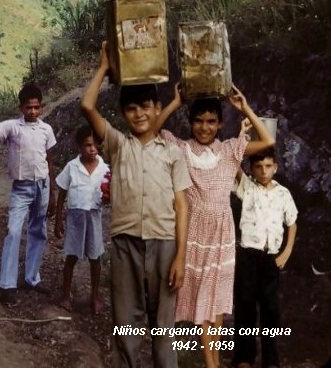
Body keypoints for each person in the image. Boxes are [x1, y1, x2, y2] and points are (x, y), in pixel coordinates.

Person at [81, 42, 190, 368]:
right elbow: (88, 106)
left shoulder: (172, 151)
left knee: (164, 328)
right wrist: (103, 68)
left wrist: (181, 257)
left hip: (165, 245)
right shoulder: (117, 144)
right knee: (126, 325)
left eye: (145, 106)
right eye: (131, 109)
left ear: (158, 108)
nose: (139, 113)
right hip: (126, 243)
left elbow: (181, 205)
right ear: (124, 114)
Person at [155, 84, 275, 368]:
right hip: (193, 232)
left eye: (211, 121)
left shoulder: (231, 149)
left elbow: (267, 141)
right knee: (196, 299)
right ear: (191, 123)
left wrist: (244, 106)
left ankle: (213, 364)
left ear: (220, 124)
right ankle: (205, 362)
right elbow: (155, 131)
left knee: (217, 302)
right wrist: (175, 102)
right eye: (198, 121)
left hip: (222, 234)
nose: (204, 127)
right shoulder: (182, 149)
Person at [0, 83, 57, 306]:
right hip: (21, 188)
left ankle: (32, 278)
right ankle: (6, 285)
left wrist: (52, 192)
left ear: (41, 107)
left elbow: (50, 160)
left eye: (36, 107)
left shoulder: (47, 130)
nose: (33, 112)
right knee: (14, 231)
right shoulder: (12, 128)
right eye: (28, 108)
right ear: (21, 108)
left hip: (42, 186)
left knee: (38, 230)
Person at [232, 147, 298, 368]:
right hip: (248, 257)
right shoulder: (247, 188)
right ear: (251, 169)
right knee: (245, 307)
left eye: (268, 166)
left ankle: (270, 359)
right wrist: (244, 138)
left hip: (271, 259)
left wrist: (286, 252)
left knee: (270, 310)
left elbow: (292, 222)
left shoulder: (283, 193)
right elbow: (233, 164)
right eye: (258, 167)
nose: (263, 171)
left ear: (276, 167)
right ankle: (244, 357)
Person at [54, 125, 110, 314]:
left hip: (94, 217)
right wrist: (59, 220)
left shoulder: (105, 169)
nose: (92, 149)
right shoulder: (72, 167)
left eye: (95, 145)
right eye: (87, 145)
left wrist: (109, 196)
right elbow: (62, 193)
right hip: (76, 218)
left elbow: (110, 193)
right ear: (79, 147)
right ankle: (65, 295)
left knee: (95, 258)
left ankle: (95, 296)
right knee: (71, 256)